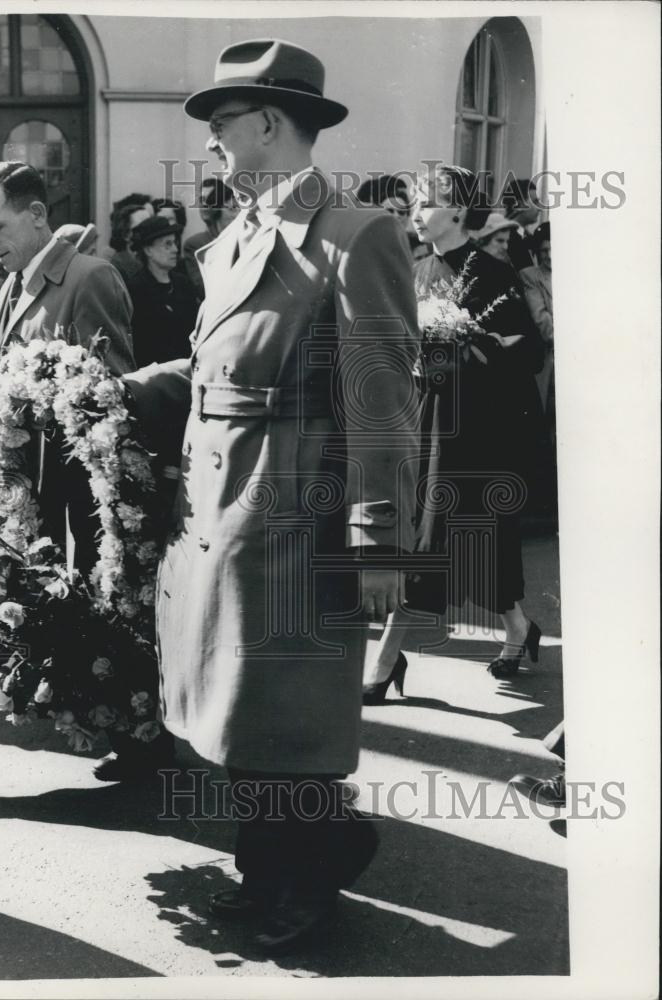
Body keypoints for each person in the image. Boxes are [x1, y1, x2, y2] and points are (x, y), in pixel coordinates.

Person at [122, 38, 419, 954]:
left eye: (222, 124)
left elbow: (384, 393)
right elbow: (220, 370)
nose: (211, 140)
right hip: (222, 503)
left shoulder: (354, 233)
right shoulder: (239, 236)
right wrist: (130, 387)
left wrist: (376, 540)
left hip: (297, 505)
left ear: (268, 124)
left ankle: (305, 881)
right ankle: (284, 862)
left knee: (283, 705)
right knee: (241, 704)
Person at [0, 161, 141, 793]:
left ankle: (139, 738)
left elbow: (110, 397)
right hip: (20, 487)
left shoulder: (88, 276)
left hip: (74, 493)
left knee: (92, 610)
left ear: (38, 215)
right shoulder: (16, 281)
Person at [363, 164, 545, 703]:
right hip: (424, 421)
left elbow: (528, 352)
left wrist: (467, 345)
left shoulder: (493, 274)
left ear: (458, 212)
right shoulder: (417, 271)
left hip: (474, 430)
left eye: (427, 202)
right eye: (415, 202)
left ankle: (388, 659)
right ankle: (515, 627)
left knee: (446, 537)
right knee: (437, 533)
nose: (416, 211)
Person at [127, 215, 199, 367]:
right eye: (167, 244)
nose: (175, 249)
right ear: (148, 250)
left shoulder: (183, 284)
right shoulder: (136, 289)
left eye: (174, 243)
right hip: (154, 373)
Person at [181, 178, 238, 298]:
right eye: (202, 200)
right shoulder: (195, 244)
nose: (205, 206)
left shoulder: (242, 239)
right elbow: (203, 288)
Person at [520, 222, 554, 416]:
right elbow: (541, 320)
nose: (549, 255)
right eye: (544, 250)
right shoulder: (531, 276)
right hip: (550, 357)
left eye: (553, 249)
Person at [501, 177, 541, 272]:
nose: (539, 208)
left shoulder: (527, 237)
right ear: (519, 205)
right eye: (535, 202)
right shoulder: (505, 238)